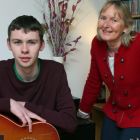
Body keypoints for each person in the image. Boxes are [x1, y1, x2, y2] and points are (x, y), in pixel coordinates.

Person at [0, 15, 77, 133]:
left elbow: (69, 122)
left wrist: (25, 105)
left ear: (41, 45)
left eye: (31, 42)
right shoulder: (1, 70)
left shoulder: (55, 71)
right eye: (17, 42)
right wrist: (9, 104)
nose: (24, 50)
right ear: (9, 45)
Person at [77, 0, 140, 140]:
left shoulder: (138, 44)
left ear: (126, 27)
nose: (106, 25)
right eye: (103, 18)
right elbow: (94, 80)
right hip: (114, 111)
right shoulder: (96, 43)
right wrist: (82, 111)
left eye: (114, 20)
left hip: (137, 114)